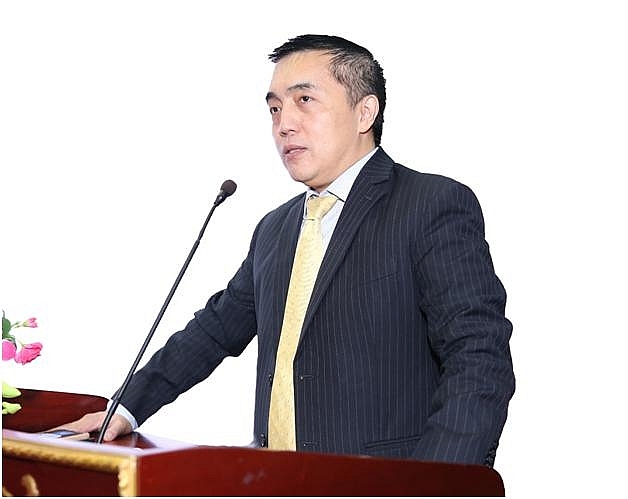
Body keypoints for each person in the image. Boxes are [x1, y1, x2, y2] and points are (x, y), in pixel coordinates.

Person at [63, 34, 515, 466]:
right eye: (275, 108)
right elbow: (213, 331)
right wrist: (125, 408)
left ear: (364, 112)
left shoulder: (430, 204)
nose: (284, 124)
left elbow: (478, 357)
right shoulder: (275, 229)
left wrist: (437, 481)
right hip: (278, 479)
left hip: (383, 482)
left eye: (305, 100)